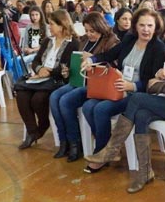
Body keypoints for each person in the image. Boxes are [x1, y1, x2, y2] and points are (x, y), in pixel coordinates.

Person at [84, 15, 165, 193]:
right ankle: (145, 172)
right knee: (141, 114)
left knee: (136, 99)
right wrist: (160, 76)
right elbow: (164, 80)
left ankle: (112, 148)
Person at [81, 8, 165, 173]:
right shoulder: (129, 39)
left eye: (150, 25)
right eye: (142, 25)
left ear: (156, 27)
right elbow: (109, 55)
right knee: (87, 106)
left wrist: (132, 86)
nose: (145, 29)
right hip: (117, 87)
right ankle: (110, 148)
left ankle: (102, 155)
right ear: (136, 26)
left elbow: (152, 81)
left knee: (101, 109)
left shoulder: (158, 48)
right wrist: (92, 59)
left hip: (138, 93)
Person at [49, 12, 120, 161]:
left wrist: (94, 61)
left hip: (96, 84)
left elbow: (114, 65)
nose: (88, 34)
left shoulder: (111, 41)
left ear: (100, 27)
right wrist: (68, 70)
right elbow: (75, 61)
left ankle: (75, 142)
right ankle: (65, 140)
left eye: (92, 31)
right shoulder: (83, 40)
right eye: (86, 30)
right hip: (78, 79)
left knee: (65, 101)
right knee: (54, 96)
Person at [16, 10, 80, 149]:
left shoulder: (73, 43)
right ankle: (33, 132)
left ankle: (43, 124)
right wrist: (39, 69)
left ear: (62, 25)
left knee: (38, 99)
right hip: (41, 77)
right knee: (21, 95)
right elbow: (36, 61)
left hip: (57, 80)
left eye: (51, 24)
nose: (49, 27)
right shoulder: (47, 41)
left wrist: (49, 72)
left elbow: (68, 68)